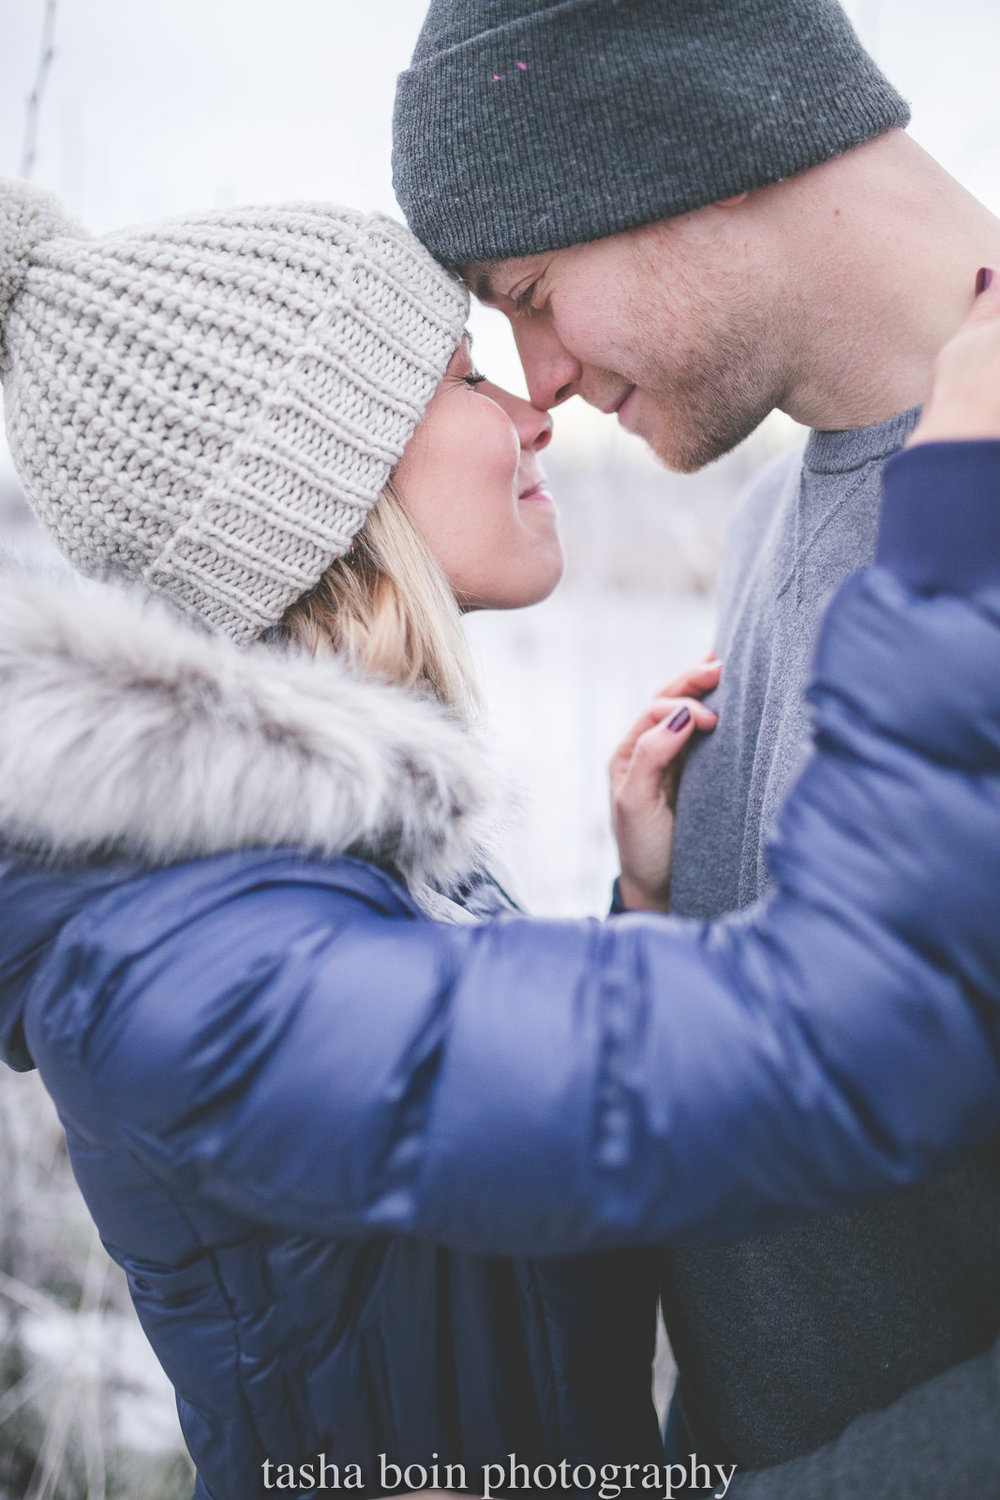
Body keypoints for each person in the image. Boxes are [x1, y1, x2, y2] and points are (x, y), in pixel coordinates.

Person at [0, 179, 999, 1500]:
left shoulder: (323, 867)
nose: (536, 407)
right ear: (327, 479)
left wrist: (642, 909)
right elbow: (842, 1042)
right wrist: (953, 519)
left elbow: (551, 1197)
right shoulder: (187, 972)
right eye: (467, 377)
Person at [391, 0, 1000, 1491]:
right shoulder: (765, 524)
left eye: (530, 287)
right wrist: (663, 915)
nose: (533, 379)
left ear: (704, 137)